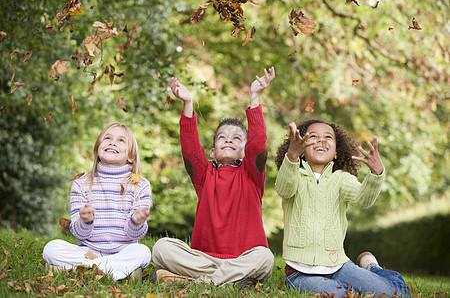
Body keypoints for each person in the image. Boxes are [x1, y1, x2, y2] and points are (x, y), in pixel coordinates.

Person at [151, 67, 276, 288]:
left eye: (237, 138)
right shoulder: (205, 175)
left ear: (245, 150)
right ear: (212, 151)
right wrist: (188, 103)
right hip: (204, 259)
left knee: (265, 257)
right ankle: (227, 280)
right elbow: (190, 149)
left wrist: (254, 97)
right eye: (222, 137)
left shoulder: (252, 175)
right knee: (161, 247)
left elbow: (258, 144)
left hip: (244, 259)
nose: (229, 140)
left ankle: (196, 283)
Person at [275, 119, 411, 297]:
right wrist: (291, 157)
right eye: (313, 136)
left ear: (337, 153)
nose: (320, 140)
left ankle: (372, 267)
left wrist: (376, 174)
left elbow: (363, 199)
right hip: (301, 274)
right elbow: (284, 189)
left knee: (396, 294)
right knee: (345, 295)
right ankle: (369, 270)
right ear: (301, 150)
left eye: (328, 137)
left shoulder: (341, 179)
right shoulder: (293, 174)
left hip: (339, 266)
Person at [42, 123, 152, 281]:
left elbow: (136, 234)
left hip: (123, 251)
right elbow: (78, 233)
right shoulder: (81, 184)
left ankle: (80, 270)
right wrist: (85, 221)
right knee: (51, 249)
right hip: (88, 251)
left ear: (131, 156)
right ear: (98, 148)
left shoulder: (140, 185)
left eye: (121, 140)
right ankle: (113, 271)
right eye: (107, 138)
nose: (112, 142)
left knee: (143, 252)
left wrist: (136, 222)